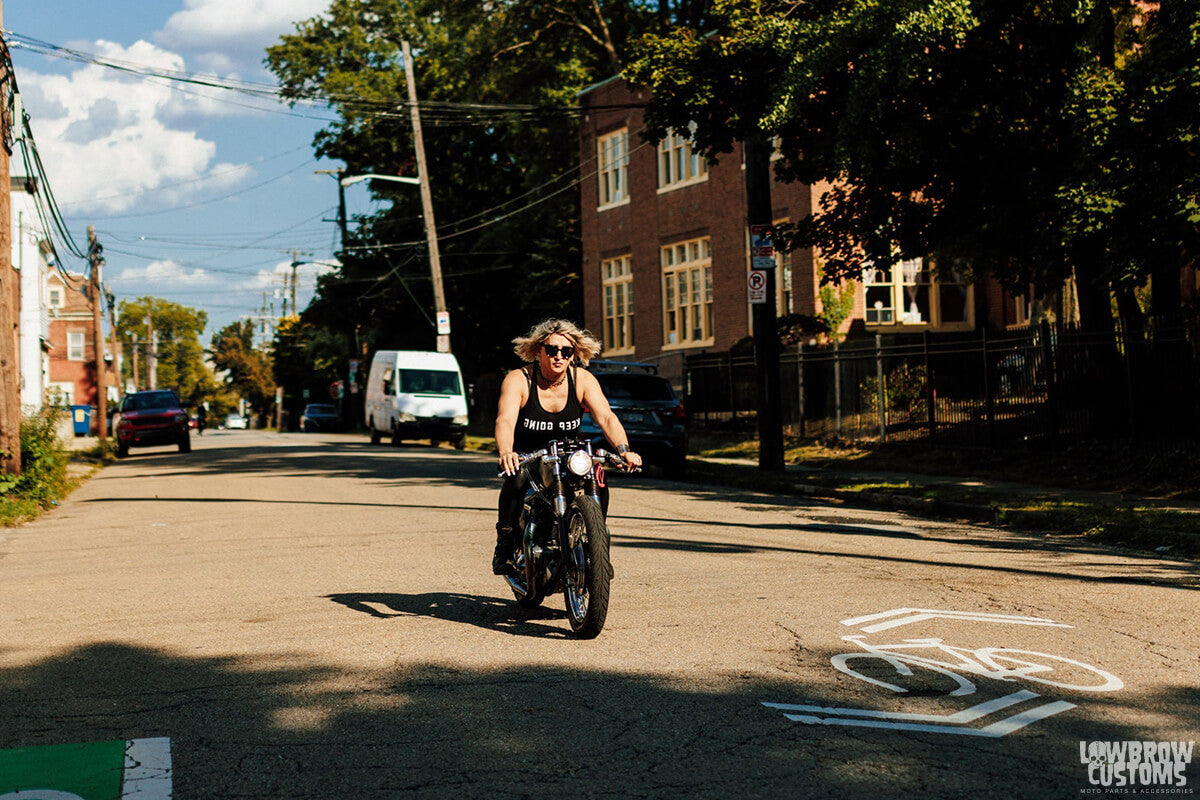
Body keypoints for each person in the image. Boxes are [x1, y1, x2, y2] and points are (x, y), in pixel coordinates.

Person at [492, 319, 642, 574]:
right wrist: (507, 452)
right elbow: (505, 420)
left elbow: (605, 416)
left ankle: (596, 548)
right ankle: (505, 544)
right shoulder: (519, 379)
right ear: (539, 350)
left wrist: (623, 449)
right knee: (514, 480)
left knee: (599, 479)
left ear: (573, 355)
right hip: (530, 456)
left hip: (570, 454)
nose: (558, 356)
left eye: (566, 351)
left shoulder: (582, 380)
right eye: (552, 350)